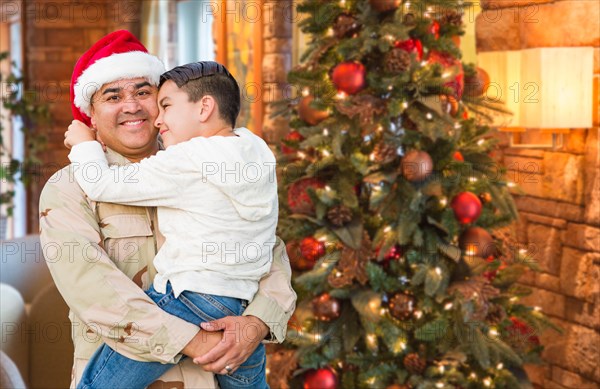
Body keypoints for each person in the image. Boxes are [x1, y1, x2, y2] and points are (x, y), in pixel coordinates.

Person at [39, 30, 296, 389]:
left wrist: (256, 324)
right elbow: (93, 290)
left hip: (210, 379)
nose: (131, 106)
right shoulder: (69, 188)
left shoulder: (205, 163)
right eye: (113, 96)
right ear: (91, 116)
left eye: (144, 92)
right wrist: (199, 341)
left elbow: (266, 248)